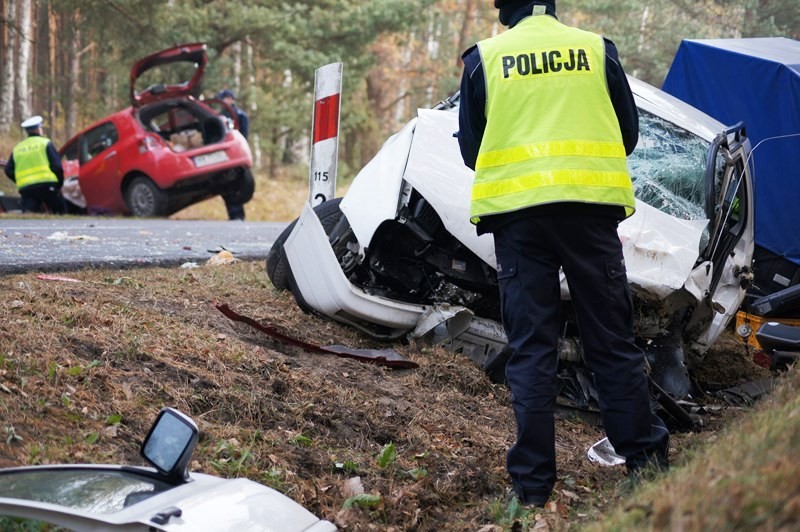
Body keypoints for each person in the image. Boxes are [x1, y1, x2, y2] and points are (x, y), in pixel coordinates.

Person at [457, 0, 669, 507]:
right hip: (588, 216)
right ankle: (645, 465)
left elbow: (471, 150)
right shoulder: (597, 50)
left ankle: (530, 490)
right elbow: (629, 134)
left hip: (518, 220)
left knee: (532, 350)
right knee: (611, 343)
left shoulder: (484, 58)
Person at [4, 115, 65, 214]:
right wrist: (59, 183)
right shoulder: (45, 143)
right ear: (38, 129)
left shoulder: (18, 148)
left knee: (29, 216)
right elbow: (57, 166)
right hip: (47, 186)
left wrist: (20, 180)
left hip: (27, 189)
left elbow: (8, 170)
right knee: (59, 213)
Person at [216, 89, 250, 220]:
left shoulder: (240, 115)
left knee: (236, 183)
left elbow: (244, 136)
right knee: (226, 185)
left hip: (236, 154)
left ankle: (237, 214)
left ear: (230, 99)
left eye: (225, 99)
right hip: (224, 155)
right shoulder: (219, 115)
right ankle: (233, 214)